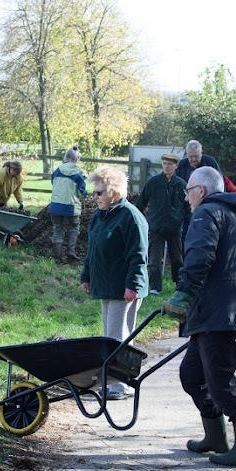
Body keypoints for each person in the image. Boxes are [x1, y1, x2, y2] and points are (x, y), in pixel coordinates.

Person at [163, 166, 236, 467]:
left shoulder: (206, 215)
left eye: (188, 191)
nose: (186, 197)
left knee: (219, 379)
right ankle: (216, 437)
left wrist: (182, 295)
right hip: (221, 311)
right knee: (192, 375)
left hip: (215, 312)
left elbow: (199, 257)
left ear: (202, 191)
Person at [80, 165, 148, 399]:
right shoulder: (100, 216)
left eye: (99, 192)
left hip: (123, 287)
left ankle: (121, 384)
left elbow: (138, 254)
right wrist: (86, 276)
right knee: (110, 335)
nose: (95, 197)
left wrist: (134, 285)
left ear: (114, 192)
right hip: (106, 284)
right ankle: (115, 381)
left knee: (119, 336)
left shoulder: (130, 217)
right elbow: (92, 249)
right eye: (95, 192)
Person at [136, 153, 185, 295]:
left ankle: (179, 285)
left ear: (176, 166)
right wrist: (143, 220)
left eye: (170, 164)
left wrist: (184, 222)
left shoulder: (181, 185)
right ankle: (155, 287)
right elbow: (140, 203)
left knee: (177, 259)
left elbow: (188, 208)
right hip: (156, 227)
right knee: (154, 260)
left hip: (174, 228)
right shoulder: (154, 182)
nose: (167, 166)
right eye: (164, 163)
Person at [48, 147, 87, 263]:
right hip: (71, 206)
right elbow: (81, 193)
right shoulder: (78, 174)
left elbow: (53, 183)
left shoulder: (57, 171)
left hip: (55, 206)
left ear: (66, 158)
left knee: (58, 229)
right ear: (76, 159)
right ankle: (71, 252)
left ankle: (58, 257)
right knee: (74, 227)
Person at [177, 140, 221, 241]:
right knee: (187, 239)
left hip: (208, 208)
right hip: (187, 209)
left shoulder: (210, 163)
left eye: (196, 156)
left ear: (201, 153)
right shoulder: (182, 165)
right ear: (186, 154)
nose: (193, 159)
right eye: (190, 156)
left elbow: (219, 185)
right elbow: (178, 188)